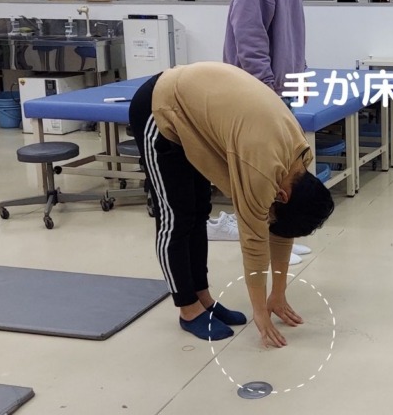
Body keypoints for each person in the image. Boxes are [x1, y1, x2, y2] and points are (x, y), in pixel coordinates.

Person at [129, 61, 335, 348]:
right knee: (175, 217)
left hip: (197, 116)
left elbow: (282, 231)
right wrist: (259, 312)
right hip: (161, 107)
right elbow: (254, 244)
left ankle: (203, 298)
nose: (270, 219)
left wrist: (278, 293)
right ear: (282, 196)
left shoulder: (300, 160)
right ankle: (188, 309)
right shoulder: (264, 172)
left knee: (199, 211)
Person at [222, 0, 337, 256]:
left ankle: (281, 236)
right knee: (260, 175)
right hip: (258, 93)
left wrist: (300, 79)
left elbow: (292, 32)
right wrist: (266, 93)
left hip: (280, 91)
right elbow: (249, 36)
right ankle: (259, 239)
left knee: (285, 174)